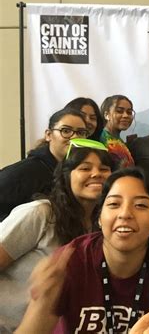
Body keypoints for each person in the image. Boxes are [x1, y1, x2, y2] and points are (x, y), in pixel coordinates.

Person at [15, 167, 149, 334]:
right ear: (99, 218)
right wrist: (42, 306)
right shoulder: (69, 262)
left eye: (140, 205)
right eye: (114, 204)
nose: (124, 214)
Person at [0, 141, 113, 332]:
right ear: (66, 176)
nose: (96, 174)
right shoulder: (41, 214)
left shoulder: (102, 229)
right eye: (85, 168)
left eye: (104, 168)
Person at [0, 107, 89, 221]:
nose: (75, 137)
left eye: (81, 133)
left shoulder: (78, 171)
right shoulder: (25, 171)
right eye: (66, 131)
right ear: (48, 135)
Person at [100, 94, 135, 169]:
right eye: (119, 111)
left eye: (129, 112)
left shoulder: (120, 141)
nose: (126, 115)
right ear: (107, 115)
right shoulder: (100, 139)